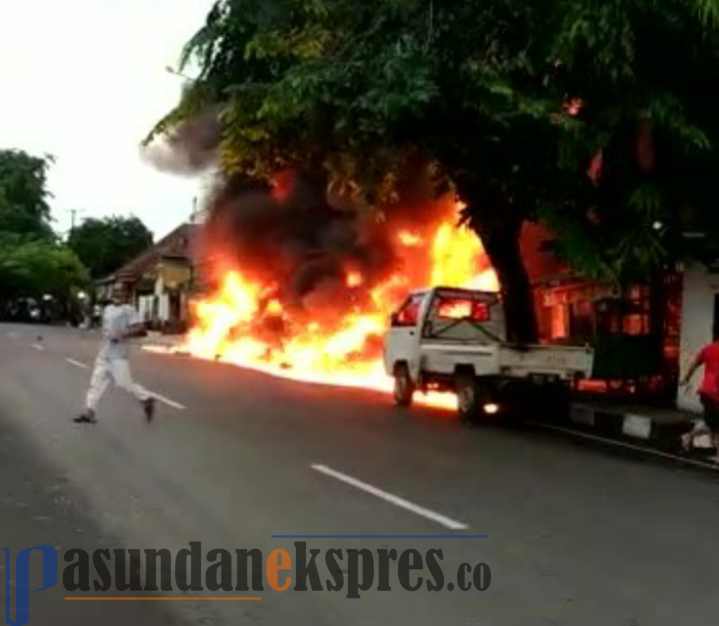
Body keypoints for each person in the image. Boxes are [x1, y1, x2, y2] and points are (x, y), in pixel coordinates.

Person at [74, 286, 155, 424]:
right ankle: (90, 412)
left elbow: (142, 330)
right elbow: (105, 328)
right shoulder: (108, 309)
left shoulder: (129, 310)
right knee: (95, 384)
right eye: (115, 292)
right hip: (104, 354)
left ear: (126, 295)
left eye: (121, 292)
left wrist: (123, 334)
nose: (117, 294)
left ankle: (146, 399)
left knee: (124, 384)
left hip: (118, 356)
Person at [679, 339, 719, 457]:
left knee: (714, 425)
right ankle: (688, 436)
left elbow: (694, 365)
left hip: (706, 391)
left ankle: (689, 437)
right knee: (714, 426)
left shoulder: (707, 349)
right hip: (713, 393)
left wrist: (686, 378)